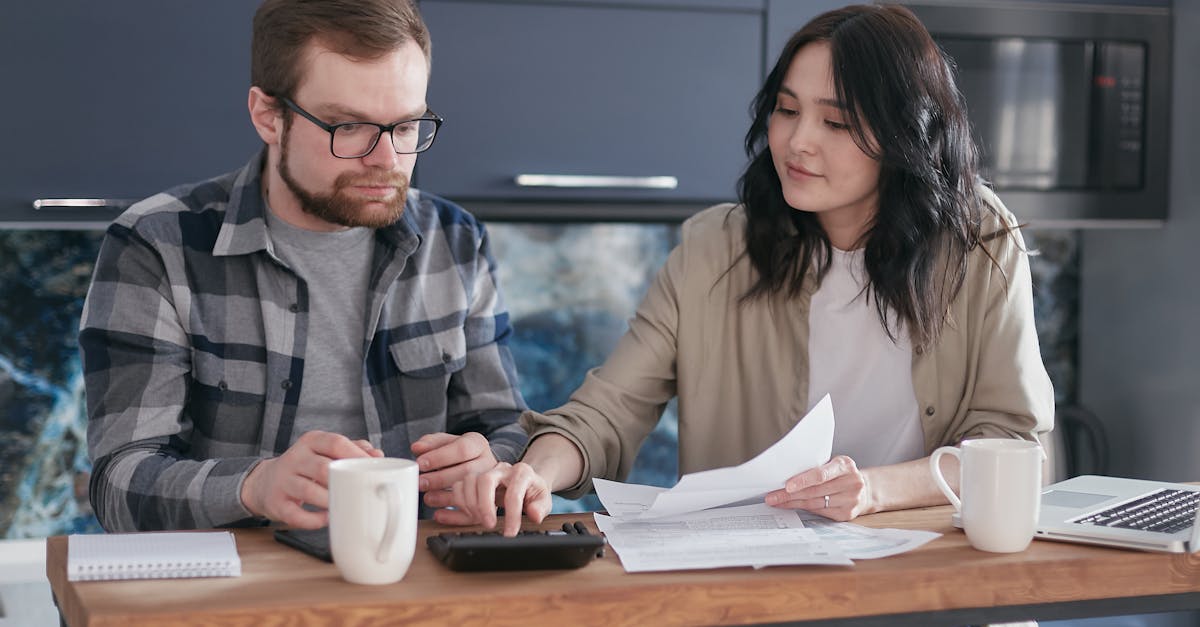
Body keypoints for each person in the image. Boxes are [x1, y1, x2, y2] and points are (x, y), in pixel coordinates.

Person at [435, 3, 1055, 535]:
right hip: (756, 589)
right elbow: (606, 412)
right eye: (787, 111)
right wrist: (533, 475)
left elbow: (1013, 449)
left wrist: (874, 489)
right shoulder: (714, 248)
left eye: (835, 122)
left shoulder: (979, 243)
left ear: (903, 139)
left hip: (929, 583)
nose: (797, 141)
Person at [79, 0, 528, 533]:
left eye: (406, 127)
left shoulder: (454, 241)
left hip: (408, 582)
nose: (386, 160)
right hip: (236, 592)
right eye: (349, 127)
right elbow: (118, 486)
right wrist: (254, 485)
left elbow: (505, 427)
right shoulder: (156, 245)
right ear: (269, 117)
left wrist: (492, 463)